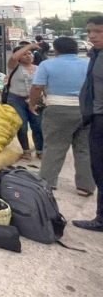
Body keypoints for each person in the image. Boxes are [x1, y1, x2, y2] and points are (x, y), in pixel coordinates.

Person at [28, 36, 94, 196]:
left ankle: (47, 182)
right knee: (84, 149)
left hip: (57, 109)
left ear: (56, 50)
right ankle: (85, 186)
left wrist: (32, 104)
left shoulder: (47, 65)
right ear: (76, 49)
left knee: (54, 147)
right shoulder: (88, 64)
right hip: (85, 110)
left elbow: (37, 87)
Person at [72, 15, 103, 232]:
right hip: (96, 117)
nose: (92, 36)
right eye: (90, 31)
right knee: (99, 170)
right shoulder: (96, 54)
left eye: (98, 31)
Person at [6, 41, 43, 160]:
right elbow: (13, 58)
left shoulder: (39, 68)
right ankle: (26, 151)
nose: (28, 56)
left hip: (35, 100)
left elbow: (43, 85)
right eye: (25, 54)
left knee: (38, 125)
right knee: (22, 126)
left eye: (30, 53)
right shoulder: (14, 67)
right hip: (16, 99)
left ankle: (40, 150)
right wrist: (29, 46)